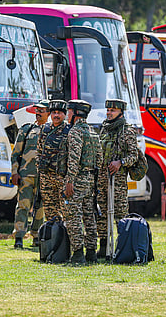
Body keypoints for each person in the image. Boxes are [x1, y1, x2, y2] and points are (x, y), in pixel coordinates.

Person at [96, 99, 143, 258]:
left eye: (113, 110)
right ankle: (103, 247)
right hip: (102, 178)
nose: (109, 113)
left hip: (118, 179)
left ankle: (123, 246)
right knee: (102, 212)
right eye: (108, 110)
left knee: (120, 213)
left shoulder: (127, 131)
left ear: (121, 112)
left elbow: (134, 156)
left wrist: (120, 162)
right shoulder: (104, 128)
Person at [63, 100, 102, 264]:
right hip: (90, 179)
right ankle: (91, 251)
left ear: (75, 114)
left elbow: (74, 159)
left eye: (69, 111)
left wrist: (69, 180)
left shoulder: (75, 132)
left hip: (77, 179)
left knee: (73, 216)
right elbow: (99, 160)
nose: (67, 115)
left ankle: (78, 253)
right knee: (89, 216)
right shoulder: (93, 133)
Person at [11, 100, 49, 249]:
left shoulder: (53, 131)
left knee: (40, 208)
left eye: (42, 110)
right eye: (37, 110)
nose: (38, 113)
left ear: (49, 113)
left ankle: (37, 236)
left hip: (44, 176)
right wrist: (14, 172)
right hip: (26, 175)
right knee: (22, 206)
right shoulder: (26, 130)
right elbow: (15, 154)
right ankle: (19, 236)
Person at [37, 100, 70, 221]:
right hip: (46, 177)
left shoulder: (69, 130)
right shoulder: (44, 129)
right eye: (54, 112)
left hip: (62, 177)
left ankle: (65, 237)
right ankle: (52, 236)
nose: (56, 115)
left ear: (64, 114)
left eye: (59, 113)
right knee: (50, 211)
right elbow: (39, 151)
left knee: (66, 211)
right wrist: (40, 170)